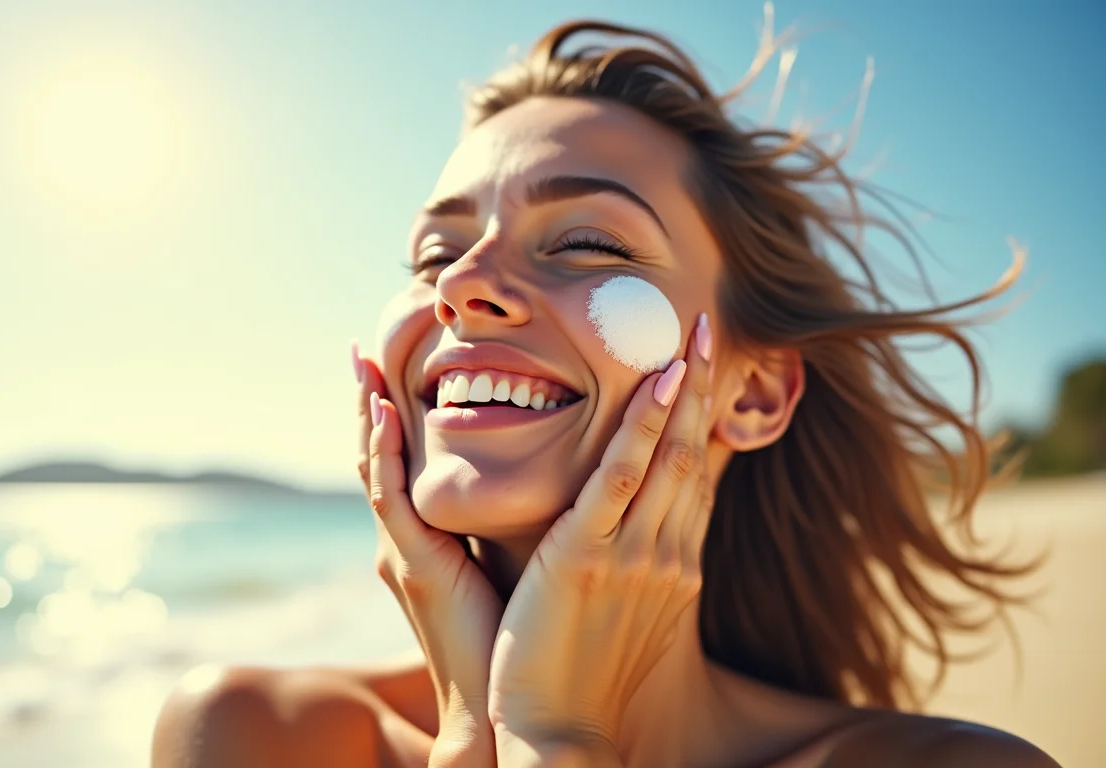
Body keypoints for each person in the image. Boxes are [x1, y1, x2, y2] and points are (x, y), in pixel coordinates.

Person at [152, 19, 1058, 767]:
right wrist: (477, 726)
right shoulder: (254, 735)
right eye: (435, 252)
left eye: (588, 242)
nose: (461, 285)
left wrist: (551, 738)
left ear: (753, 394)